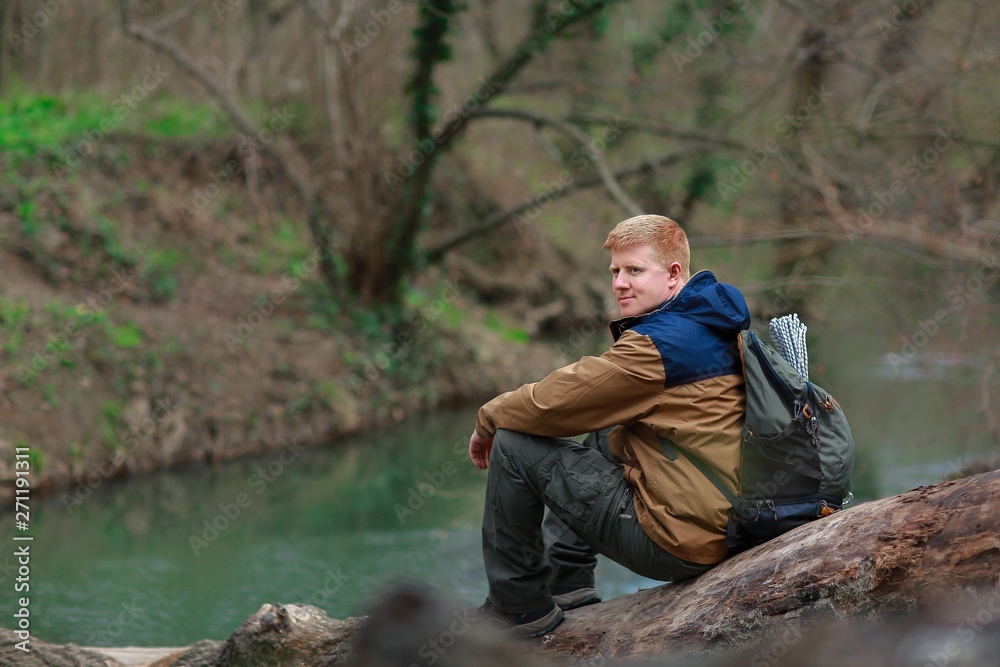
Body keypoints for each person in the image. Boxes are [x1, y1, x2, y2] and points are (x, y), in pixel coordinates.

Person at [468, 214, 751, 636]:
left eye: (634, 270)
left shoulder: (661, 345)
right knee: (609, 425)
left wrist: (488, 418)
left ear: (674, 274)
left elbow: (554, 401)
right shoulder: (712, 323)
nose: (619, 283)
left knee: (512, 442)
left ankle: (519, 608)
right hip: (727, 522)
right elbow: (589, 399)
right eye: (615, 271)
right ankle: (568, 585)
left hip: (680, 540)